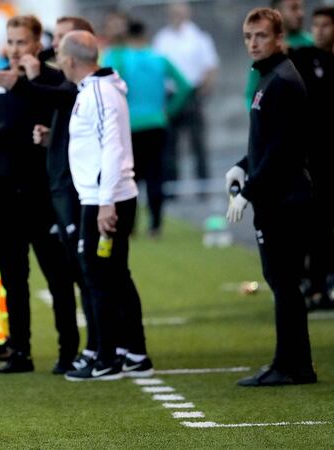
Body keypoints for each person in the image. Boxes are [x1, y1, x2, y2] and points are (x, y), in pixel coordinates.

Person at [0, 16, 98, 374]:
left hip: (43, 195)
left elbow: (63, 119)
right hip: (5, 194)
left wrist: (30, 85)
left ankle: (69, 350)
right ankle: (20, 351)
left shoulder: (55, 81)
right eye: (10, 41)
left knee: (59, 278)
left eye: (21, 41)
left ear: (38, 43)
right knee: (12, 279)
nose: (15, 48)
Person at [227, 8, 317, 387]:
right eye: (249, 36)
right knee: (282, 282)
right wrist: (242, 164)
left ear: (279, 38)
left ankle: (292, 366)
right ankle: (293, 363)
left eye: (261, 36)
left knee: (284, 283)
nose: (253, 43)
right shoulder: (269, 77)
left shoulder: (281, 80)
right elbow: (267, 142)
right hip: (276, 196)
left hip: (285, 199)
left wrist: (247, 191)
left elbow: (284, 150)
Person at [58, 30, 153, 381]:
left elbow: (112, 147)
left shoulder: (100, 92)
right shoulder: (97, 90)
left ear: (70, 59)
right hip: (101, 196)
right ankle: (134, 352)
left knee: (98, 275)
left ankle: (109, 356)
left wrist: (106, 202)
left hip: (104, 199)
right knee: (112, 274)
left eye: (58, 52)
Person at [103, 20, 192, 237]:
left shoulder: (120, 58)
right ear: (146, 34)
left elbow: (107, 79)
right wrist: (168, 110)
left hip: (130, 125)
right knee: (156, 175)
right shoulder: (159, 58)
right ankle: (155, 225)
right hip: (156, 123)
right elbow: (185, 86)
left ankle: (131, 226)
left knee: (130, 177)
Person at [290, 6, 334, 309]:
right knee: (313, 224)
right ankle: (312, 285)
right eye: (315, 25)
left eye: (325, 26)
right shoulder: (302, 58)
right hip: (311, 157)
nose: (318, 31)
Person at [153, 1, 219, 185]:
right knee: (170, 144)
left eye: (180, 11)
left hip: (193, 94)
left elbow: (210, 66)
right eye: (173, 11)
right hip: (171, 96)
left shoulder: (199, 37)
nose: (177, 15)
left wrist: (202, 93)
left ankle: (202, 183)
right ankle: (172, 185)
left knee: (197, 142)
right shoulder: (162, 39)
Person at [245, 0, 314, 108]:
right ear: (277, 12)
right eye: (294, 8)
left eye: (301, 8)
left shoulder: (313, 45)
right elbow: (251, 95)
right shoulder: (265, 48)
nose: (301, 13)